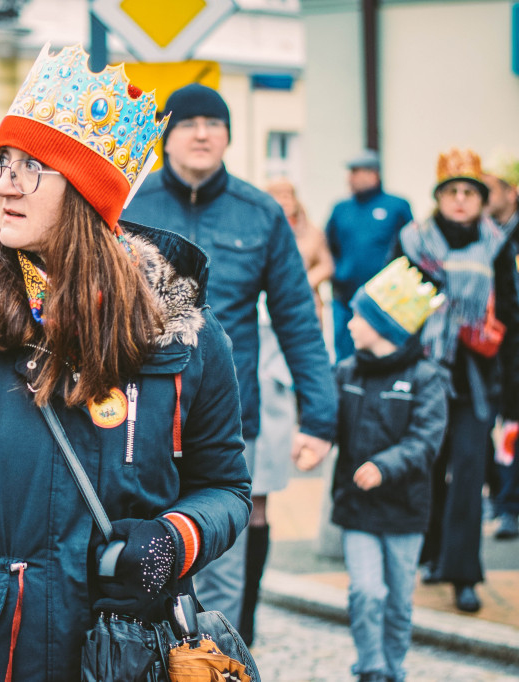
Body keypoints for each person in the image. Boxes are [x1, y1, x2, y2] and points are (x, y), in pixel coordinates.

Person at [0, 44, 251, 682]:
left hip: (126, 657)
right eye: (1, 162)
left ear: (91, 194)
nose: (5, 183)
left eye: (33, 166)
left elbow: (227, 487)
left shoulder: (184, 338)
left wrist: (175, 539)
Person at [124, 83, 336, 632]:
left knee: (232, 531)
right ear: (167, 136)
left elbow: (296, 318)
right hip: (140, 403)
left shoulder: (260, 212)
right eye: (188, 123)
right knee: (149, 532)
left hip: (233, 405)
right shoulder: (130, 203)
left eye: (213, 124)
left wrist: (319, 417)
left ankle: (227, 649)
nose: (201, 133)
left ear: (228, 137)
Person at [391, 148, 506, 613]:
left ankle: (463, 574)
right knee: (426, 467)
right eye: (452, 191)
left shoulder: (497, 245)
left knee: (470, 473)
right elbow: (394, 306)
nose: (460, 200)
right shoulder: (412, 241)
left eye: (469, 192)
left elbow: (512, 317)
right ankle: (431, 556)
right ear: (438, 197)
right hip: (424, 370)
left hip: (477, 374)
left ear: (481, 200)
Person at [333, 258, 448, 682]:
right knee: (366, 592)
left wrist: (384, 466)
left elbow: (426, 441)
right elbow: (325, 420)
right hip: (357, 508)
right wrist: (310, 439)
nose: (349, 325)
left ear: (384, 325)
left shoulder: (426, 378)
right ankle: (372, 669)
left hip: (405, 511)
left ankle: (394, 668)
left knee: (399, 601)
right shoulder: (345, 372)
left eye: (358, 316)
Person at [326, 150, 414, 362]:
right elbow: (330, 246)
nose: (350, 177)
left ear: (373, 174)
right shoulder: (341, 209)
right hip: (346, 300)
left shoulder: (397, 206)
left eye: (356, 171)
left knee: (385, 355)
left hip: (385, 302)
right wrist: (340, 275)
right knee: (346, 358)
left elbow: (410, 248)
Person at [491, 172, 519, 539]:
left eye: (490, 190)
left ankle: (509, 504)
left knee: (511, 423)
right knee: (506, 424)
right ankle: (505, 499)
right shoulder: (494, 236)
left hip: (513, 346)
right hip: (501, 348)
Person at [266, 178, 334, 325]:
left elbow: (326, 265)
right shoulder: (262, 232)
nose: (285, 200)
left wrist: (304, 282)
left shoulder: (311, 232)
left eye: (288, 195)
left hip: (306, 302)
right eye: (279, 195)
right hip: (272, 302)